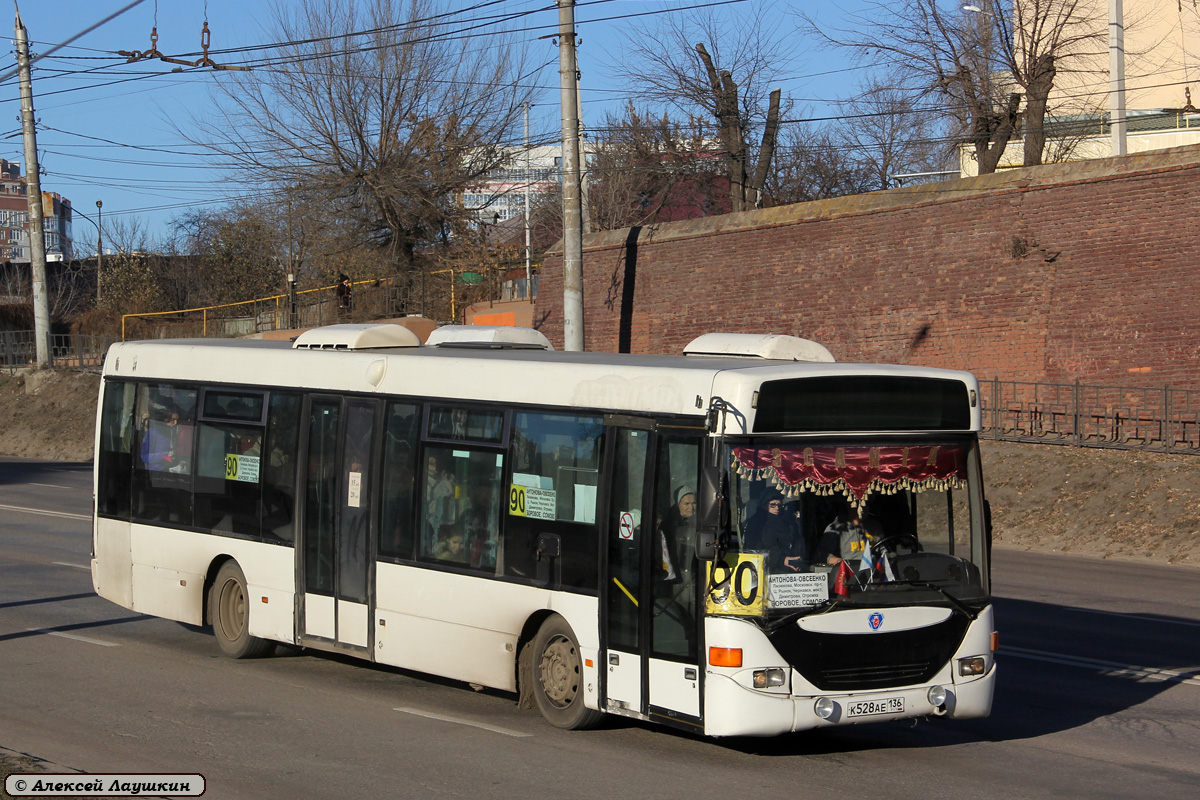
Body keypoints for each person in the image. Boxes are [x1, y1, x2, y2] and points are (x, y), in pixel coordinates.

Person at [744, 488, 809, 572]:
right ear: (764, 505)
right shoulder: (755, 524)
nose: (777, 508)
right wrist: (782, 559)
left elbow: (797, 541)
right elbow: (756, 549)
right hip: (767, 570)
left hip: (793, 568)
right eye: (772, 505)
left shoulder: (788, 522)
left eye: (779, 505)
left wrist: (798, 558)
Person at [818, 504, 882, 568]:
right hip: (848, 572)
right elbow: (824, 554)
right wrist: (836, 560)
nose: (862, 508)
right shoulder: (836, 528)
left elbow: (883, 550)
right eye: (858, 504)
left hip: (873, 571)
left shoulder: (875, 526)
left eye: (866, 504)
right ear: (849, 505)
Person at [658, 485, 697, 583]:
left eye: (694, 503)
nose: (691, 507)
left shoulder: (701, 522)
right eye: (686, 503)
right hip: (675, 577)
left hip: (695, 575)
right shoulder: (667, 526)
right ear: (678, 504)